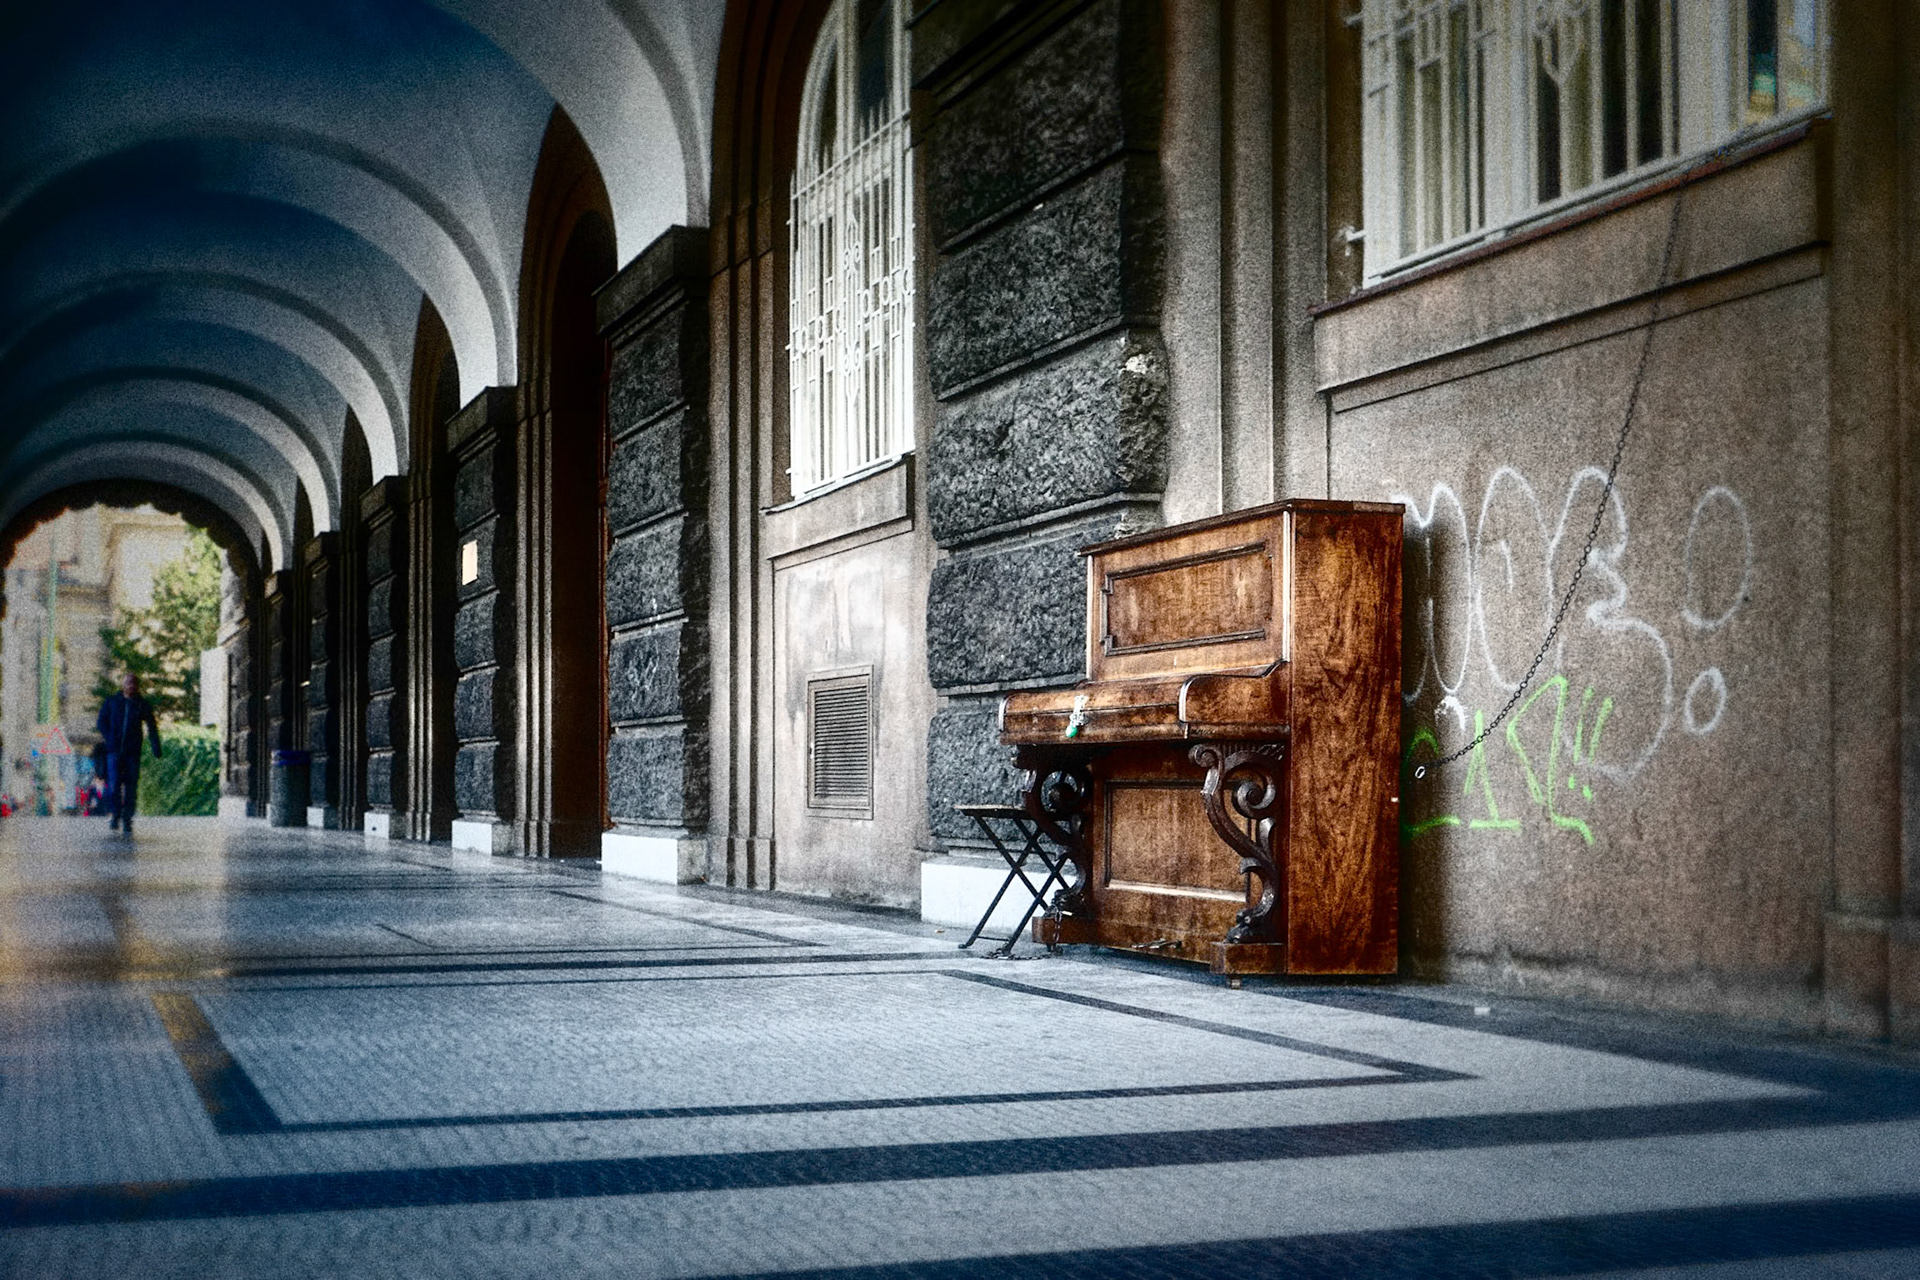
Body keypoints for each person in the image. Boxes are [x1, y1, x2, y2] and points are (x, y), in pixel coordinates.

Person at [96, 673, 162, 837]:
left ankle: (127, 819)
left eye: (133, 683)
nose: (131, 686)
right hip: (114, 752)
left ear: (137, 686)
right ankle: (115, 815)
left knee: (131, 786)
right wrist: (110, 738)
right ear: (123, 685)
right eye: (128, 683)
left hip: (133, 752)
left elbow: (152, 726)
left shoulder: (141, 704)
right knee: (114, 785)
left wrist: (156, 747)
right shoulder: (112, 702)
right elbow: (101, 722)